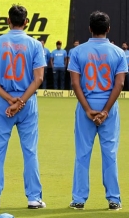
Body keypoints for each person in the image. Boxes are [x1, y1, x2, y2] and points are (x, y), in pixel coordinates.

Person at [0, 4, 46, 209]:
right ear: (26, 22)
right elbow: (38, 79)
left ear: (8, 21)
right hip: (27, 104)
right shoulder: (35, 45)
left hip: (4, 103)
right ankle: (34, 198)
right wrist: (21, 101)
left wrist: (10, 100)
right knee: (30, 151)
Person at [68, 11, 127, 210]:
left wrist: (87, 109)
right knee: (110, 153)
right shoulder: (119, 52)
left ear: (90, 28)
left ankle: (78, 199)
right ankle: (114, 199)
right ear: (108, 29)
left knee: (82, 153)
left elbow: (75, 83)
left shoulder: (77, 51)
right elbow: (119, 84)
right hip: (109, 107)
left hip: (86, 105)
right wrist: (106, 110)